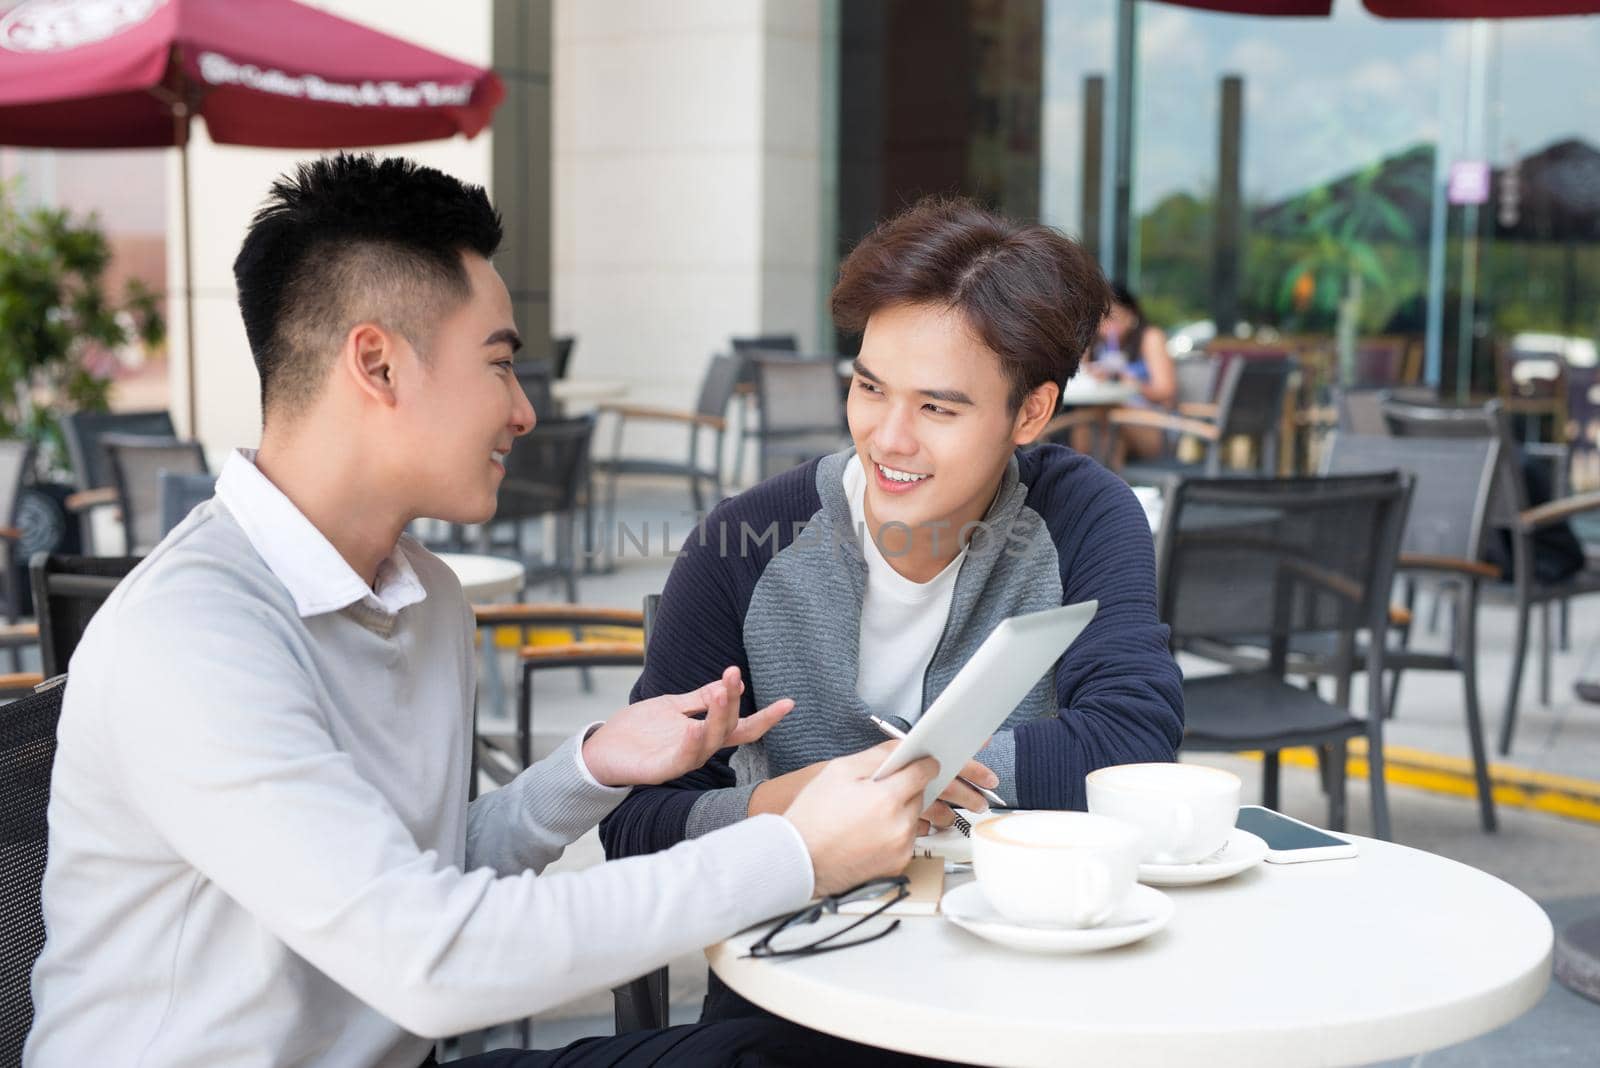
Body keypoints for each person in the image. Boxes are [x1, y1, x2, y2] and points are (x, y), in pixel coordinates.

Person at [25, 154, 950, 1068]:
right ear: (377, 364)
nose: (523, 412)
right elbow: (435, 959)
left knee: (776, 1052)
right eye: (501, 365)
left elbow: (421, 880)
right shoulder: (192, 640)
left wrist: (586, 768)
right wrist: (794, 852)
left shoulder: (422, 593)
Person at [598, 196, 1185, 1019]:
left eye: (938, 408)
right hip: (804, 1010)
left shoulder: (1084, 515)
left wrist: (914, 778)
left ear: (1032, 412)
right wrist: (797, 804)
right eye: (869, 388)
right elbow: (637, 824)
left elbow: (1133, 741)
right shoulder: (747, 542)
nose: (889, 438)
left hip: (1028, 1004)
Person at [1078, 284, 1177, 461]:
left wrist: (1134, 383)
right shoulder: (1099, 344)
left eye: (1112, 317)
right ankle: (1091, 475)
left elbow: (1166, 391)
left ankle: (1086, 476)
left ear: (1131, 315)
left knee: (1105, 415)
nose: (1105, 325)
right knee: (1093, 418)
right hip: (1114, 423)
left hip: (1155, 426)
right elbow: (1081, 374)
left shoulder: (1150, 337)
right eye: (1100, 318)